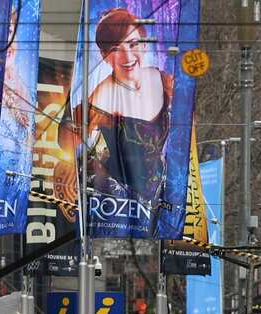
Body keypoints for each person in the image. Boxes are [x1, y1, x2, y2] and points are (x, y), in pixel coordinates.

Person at [55, 7, 176, 220]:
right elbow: (64, 140)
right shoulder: (100, 99)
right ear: (105, 56)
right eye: (116, 49)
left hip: (158, 201)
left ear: (144, 44)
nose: (127, 56)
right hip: (117, 207)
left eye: (133, 44)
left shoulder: (165, 81)